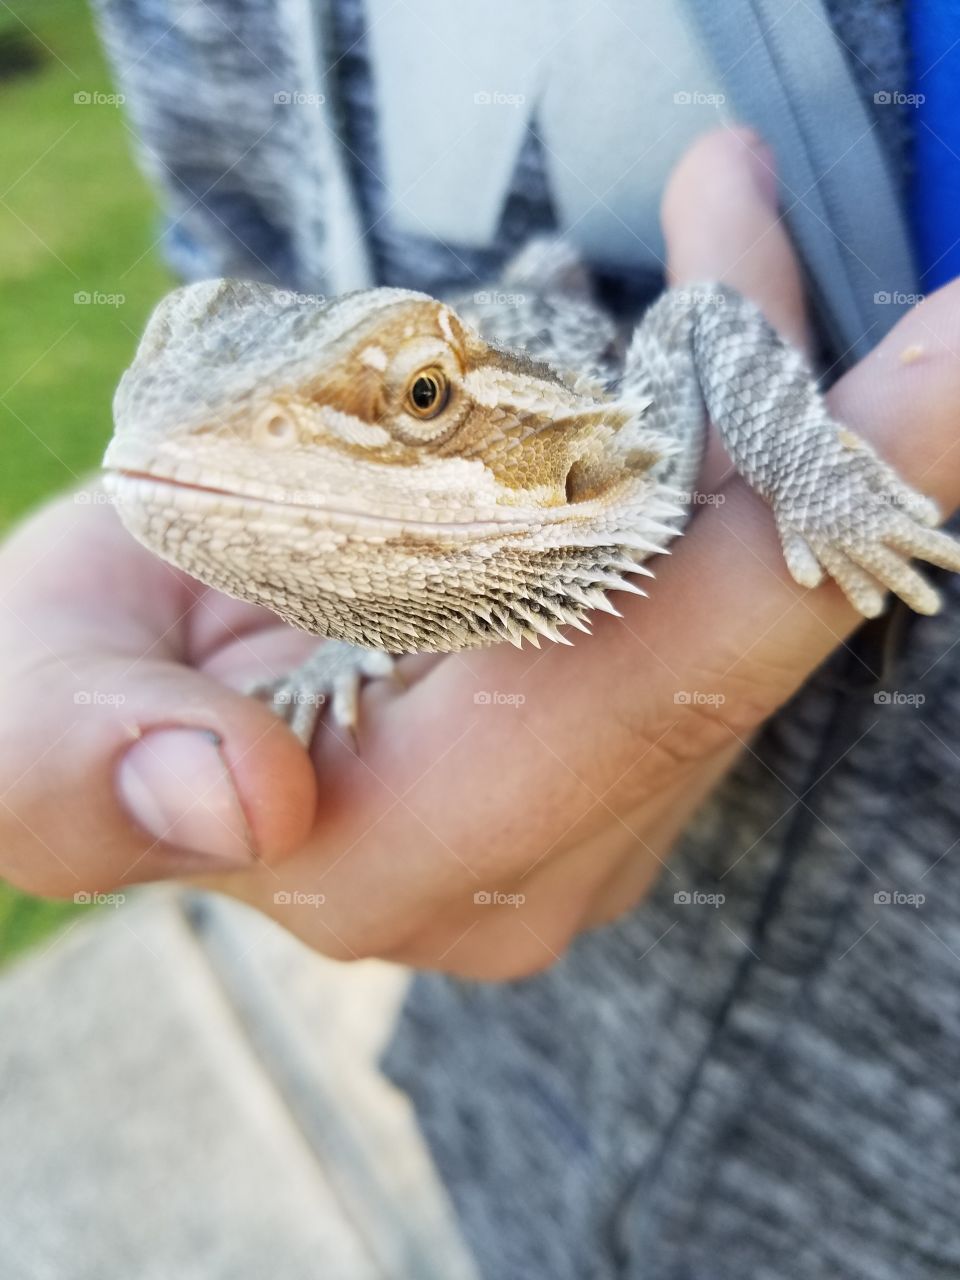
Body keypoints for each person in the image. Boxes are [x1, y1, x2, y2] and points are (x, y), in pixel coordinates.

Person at [2, 2, 959, 1275]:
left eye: (414, 403)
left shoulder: (614, 453)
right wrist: (333, 632)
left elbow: (697, 324)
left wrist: (817, 481)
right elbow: (232, 253)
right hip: (530, 1121)